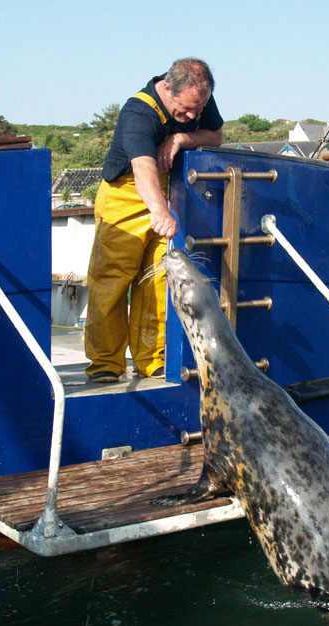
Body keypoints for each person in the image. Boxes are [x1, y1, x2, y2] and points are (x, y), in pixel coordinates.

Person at [84, 58, 223, 383]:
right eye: (185, 109)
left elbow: (214, 135)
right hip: (126, 193)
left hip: (166, 190)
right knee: (112, 280)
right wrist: (159, 211)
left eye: (197, 109)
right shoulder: (138, 112)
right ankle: (105, 362)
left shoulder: (198, 94)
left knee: (160, 281)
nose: (191, 116)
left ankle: (153, 359)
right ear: (166, 88)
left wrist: (180, 139)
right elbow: (143, 166)